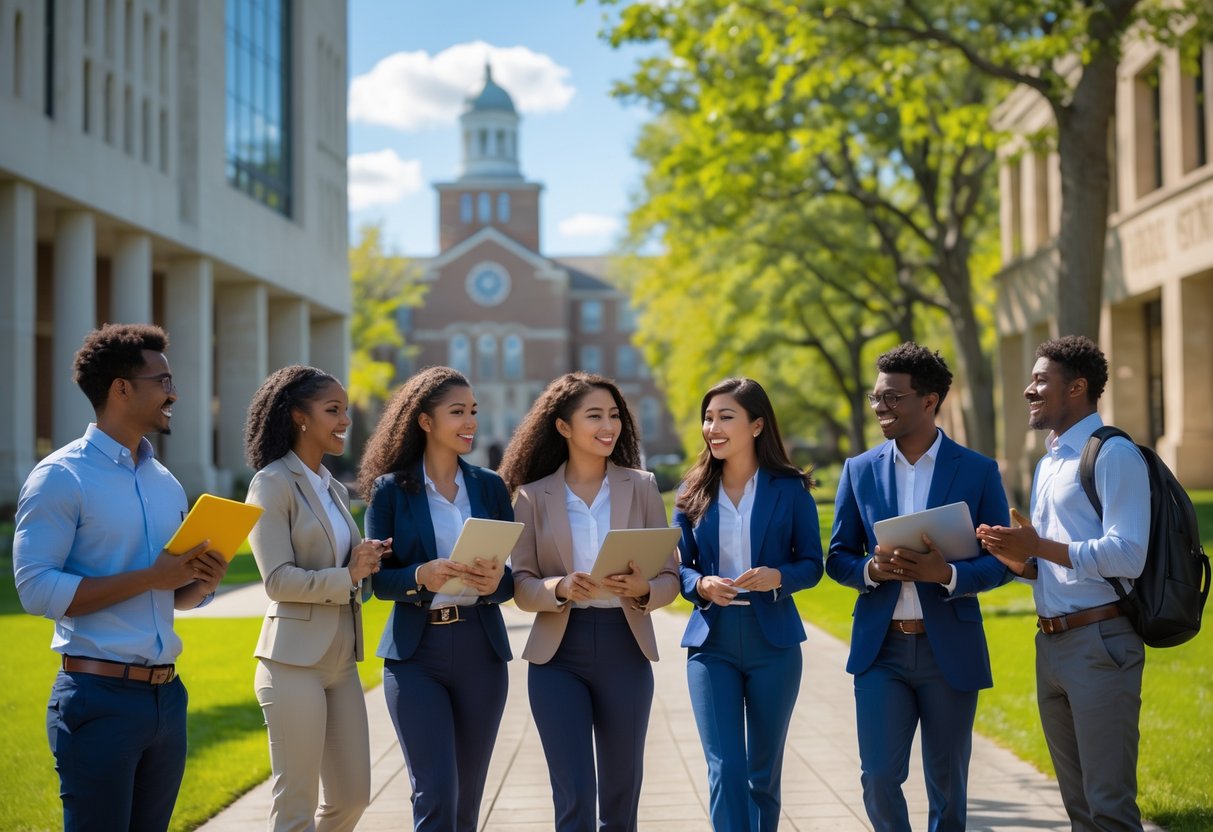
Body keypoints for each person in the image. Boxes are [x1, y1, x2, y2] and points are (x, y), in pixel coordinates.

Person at [13, 323, 229, 832]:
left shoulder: (165, 482)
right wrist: (153, 577)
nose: (173, 393)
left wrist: (200, 581)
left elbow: (172, 594)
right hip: (96, 697)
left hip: (167, 700)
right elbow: (36, 589)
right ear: (121, 388)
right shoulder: (60, 477)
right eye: (163, 380)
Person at [826, 342, 1010, 832]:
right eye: (876, 398)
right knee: (879, 777)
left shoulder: (977, 471)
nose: (880, 408)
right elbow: (837, 558)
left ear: (929, 401)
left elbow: (1004, 562)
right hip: (880, 649)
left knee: (948, 783)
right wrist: (871, 571)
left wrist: (946, 575)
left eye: (893, 398)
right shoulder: (859, 470)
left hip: (947, 646)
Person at [978, 335, 1149, 832]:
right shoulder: (1050, 462)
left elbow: (1128, 555)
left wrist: (1037, 547)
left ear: (1077, 387)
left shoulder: (1114, 454)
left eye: (1039, 380)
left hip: (1101, 642)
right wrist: (1017, 559)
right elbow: (1054, 559)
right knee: (1078, 810)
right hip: (1050, 643)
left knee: (1109, 807)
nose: (1029, 390)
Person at [500, 372, 679, 832]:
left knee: (621, 794)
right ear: (563, 427)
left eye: (615, 415)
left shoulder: (641, 486)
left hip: (625, 647)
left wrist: (642, 589)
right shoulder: (532, 496)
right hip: (558, 655)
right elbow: (520, 583)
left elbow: (670, 576)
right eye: (595, 415)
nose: (609, 425)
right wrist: (558, 587)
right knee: (574, 794)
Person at [359, 366, 514, 832]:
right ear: (425, 421)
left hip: (481, 653)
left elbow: (511, 578)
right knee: (435, 792)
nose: (469, 422)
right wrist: (420, 576)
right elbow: (376, 582)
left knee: (467, 800)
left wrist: (495, 583)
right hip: (415, 655)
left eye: (473, 412)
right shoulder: (390, 490)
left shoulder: (489, 486)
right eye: (457, 412)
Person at [674, 377, 824, 831]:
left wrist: (778, 576)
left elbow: (812, 564)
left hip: (772, 643)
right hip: (712, 643)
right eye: (708, 417)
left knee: (763, 774)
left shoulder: (790, 488)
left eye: (725, 417)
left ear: (757, 425)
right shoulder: (692, 491)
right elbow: (677, 568)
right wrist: (700, 585)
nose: (712, 427)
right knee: (726, 768)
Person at [243, 365, 388, 832]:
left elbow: (347, 583)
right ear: (299, 416)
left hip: (341, 662)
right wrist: (345, 574)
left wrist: (364, 566)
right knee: (296, 807)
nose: (345, 420)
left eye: (345, 410)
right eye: (333, 410)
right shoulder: (272, 482)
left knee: (352, 799)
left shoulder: (334, 487)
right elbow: (278, 581)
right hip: (292, 664)